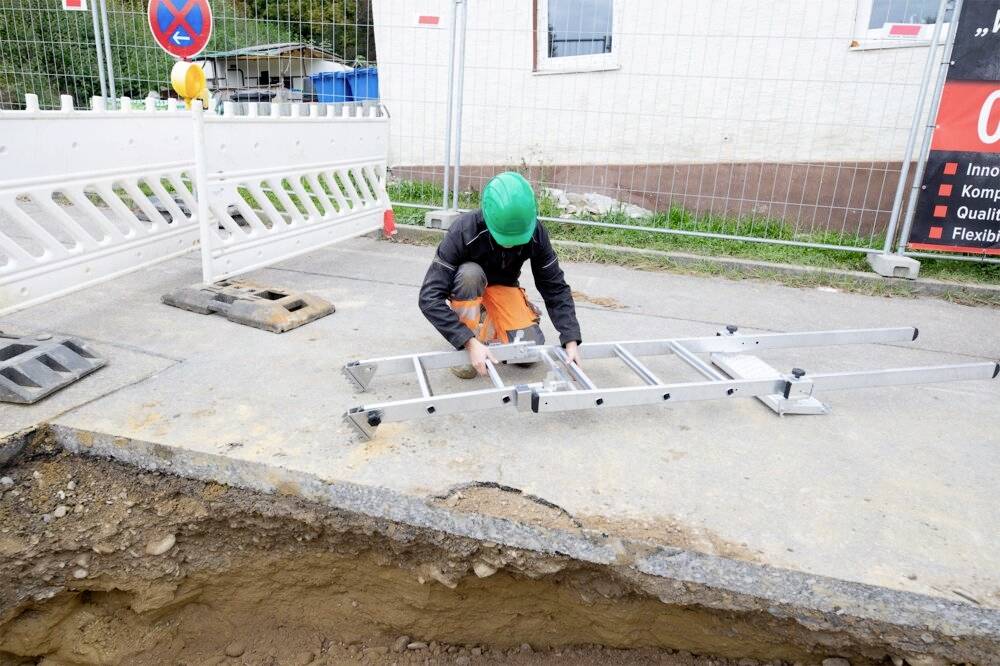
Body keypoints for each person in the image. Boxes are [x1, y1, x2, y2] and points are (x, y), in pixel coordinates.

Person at [419, 172, 582, 378]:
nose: (511, 244)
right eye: (504, 237)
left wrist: (571, 339)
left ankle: (493, 317)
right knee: (470, 274)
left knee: (527, 356)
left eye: (516, 239)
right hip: (469, 288)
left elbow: (555, 287)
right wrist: (468, 342)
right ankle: (467, 340)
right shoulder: (464, 230)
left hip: (503, 287)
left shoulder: (535, 232)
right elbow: (429, 297)